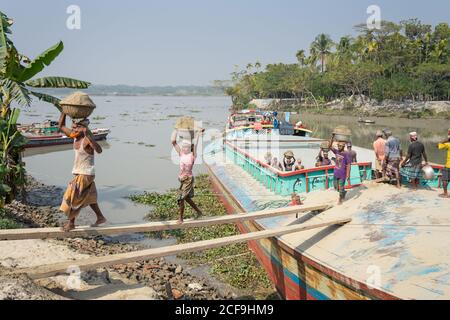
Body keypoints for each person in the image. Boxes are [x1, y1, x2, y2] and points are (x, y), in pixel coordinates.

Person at [58, 113, 107, 232]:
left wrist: (89, 136)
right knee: (89, 197)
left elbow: (99, 150)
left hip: (85, 173)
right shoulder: (75, 136)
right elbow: (61, 126)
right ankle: (100, 217)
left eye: (76, 127)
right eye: (73, 127)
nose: (73, 129)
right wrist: (64, 112)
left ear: (82, 128)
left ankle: (71, 223)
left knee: (73, 196)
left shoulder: (86, 140)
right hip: (80, 173)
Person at [172, 131, 203, 224]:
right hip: (182, 179)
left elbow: (196, 144)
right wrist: (176, 130)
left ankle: (181, 219)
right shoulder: (181, 154)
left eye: (187, 147)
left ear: (190, 148)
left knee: (181, 198)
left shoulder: (192, 156)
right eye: (183, 146)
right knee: (187, 198)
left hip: (188, 180)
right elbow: (173, 141)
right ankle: (199, 212)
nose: (184, 148)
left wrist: (198, 134)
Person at [329, 136, 351, 205]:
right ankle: (343, 192)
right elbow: (330, 146)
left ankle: (340, 199)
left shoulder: (346, 154)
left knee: (341, 188)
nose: (338, 147)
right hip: (336, 173)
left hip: (342, 174)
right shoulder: (336, 152)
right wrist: (332, 138)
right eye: (338, 146)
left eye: (340, 146)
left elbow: (349, 165)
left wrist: (348, 175)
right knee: (336, 187)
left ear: (343, 147)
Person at [437, 129, 450, 198]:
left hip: (448, 165)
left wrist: (446, 140)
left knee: (445, 180)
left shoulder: (448, 144)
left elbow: (438, 146)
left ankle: (445, 193)